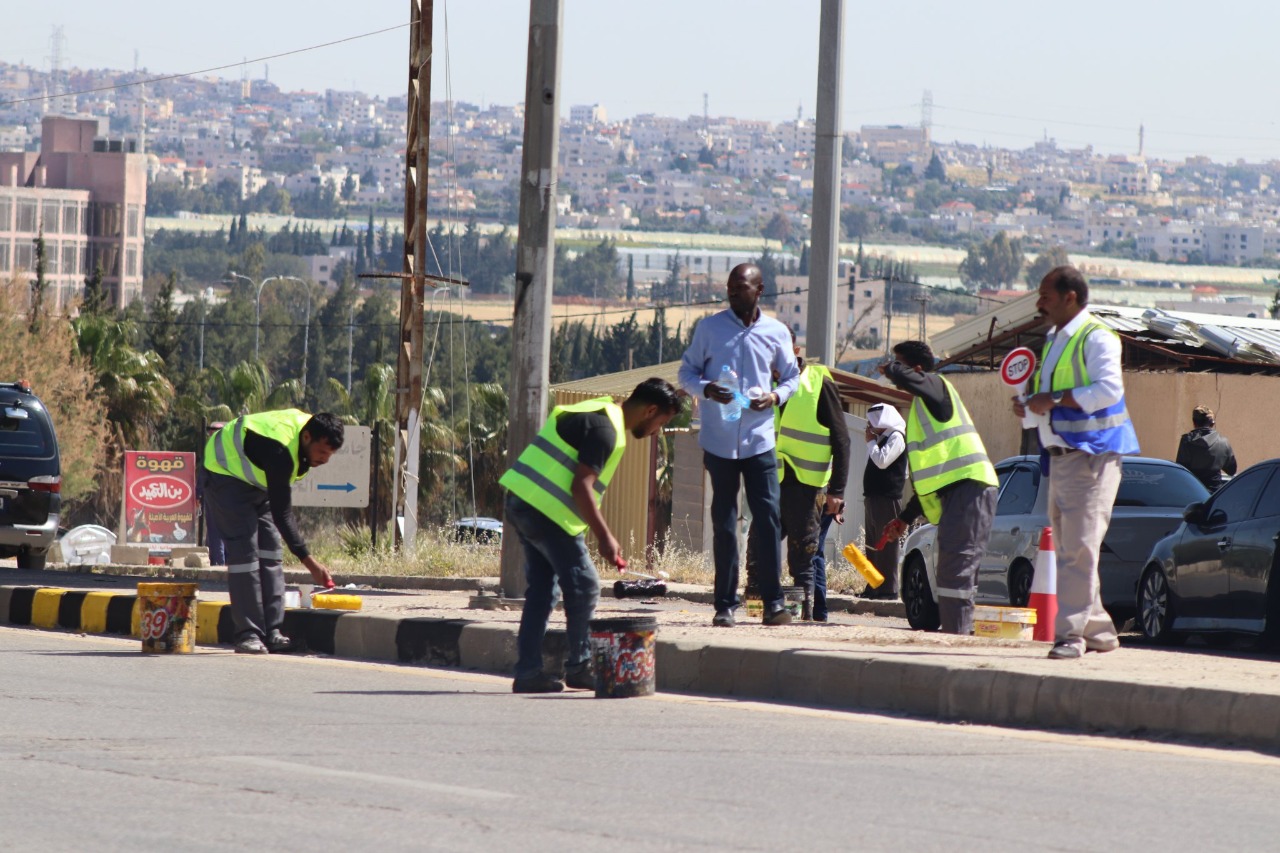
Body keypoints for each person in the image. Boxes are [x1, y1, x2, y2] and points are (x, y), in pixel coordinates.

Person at [499, 379, 683, 694]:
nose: (657, 432)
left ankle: (529, 672)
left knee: (543, 591)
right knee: (584, 586)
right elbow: (581, 486)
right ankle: (580, 666)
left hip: (522, 502)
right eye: (661, 423)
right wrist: (606, 537)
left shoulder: (598, 412)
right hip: (547, 512)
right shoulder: (605, 431)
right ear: (650, 410)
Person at [1012, 265, 1140, 660]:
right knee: (1074, 548)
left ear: (1071, 297)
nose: (1039, 304)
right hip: (1062, 458)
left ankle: (1070, 635)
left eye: (1046, 296)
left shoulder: (1097, 338)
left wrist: (1049, 400)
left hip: (1092, 456)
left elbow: (1107, 390)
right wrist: (1030, 409)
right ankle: (1098, 630)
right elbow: (1049, 401)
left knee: (1077, 550)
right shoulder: (1054, 340)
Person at [678, 263, 801, 627]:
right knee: (726, 522)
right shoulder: (710, 328)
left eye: (741, 287)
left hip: (759, 440)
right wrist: (705, 389)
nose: (733, 292)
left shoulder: (775, 332)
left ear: (759, 289)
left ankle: (773, 604)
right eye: (730, 286)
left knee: (768, 520)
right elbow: (686, 372)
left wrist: (776, 397)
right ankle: (725, 604)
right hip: (718, 442)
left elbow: (793, 377)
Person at [879, 340, 998, 636]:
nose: (895, 374)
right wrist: (905, 518)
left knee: (957, 564)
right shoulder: (923, 406)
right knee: (952, 565)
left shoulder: (936, 385)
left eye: (901, 364)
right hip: (958, 490)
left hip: (970, 486)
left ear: (918, 370)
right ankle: (957, 634)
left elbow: (905, 375)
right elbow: (932, 479)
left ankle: (957, 638)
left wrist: (891, 368)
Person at [202, 410, 344, 654]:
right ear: (307, 438)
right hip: (225, 474)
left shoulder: (308, 431)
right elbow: (283, 516)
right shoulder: (281, 451)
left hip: (258, 481)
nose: (325, 460)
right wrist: (311, 564)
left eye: (330, 455)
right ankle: (248, 634)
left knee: (271, 552)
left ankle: (273, 632)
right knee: (246, 555)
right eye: (322, 452)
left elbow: (279, 509)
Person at [745, 331, 850, 620]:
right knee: (757, 548)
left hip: (807, 486)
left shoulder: (817, 382)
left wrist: (836, 492)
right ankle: (758, 613)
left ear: (795, 349)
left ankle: (804, 617)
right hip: (773, 482)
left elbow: (842, 440)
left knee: (803, 556)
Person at [859, 402, 908, 601]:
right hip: (873, 497)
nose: (870, 425)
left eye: (874, 421)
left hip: (887, 499)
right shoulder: (882, 438)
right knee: (871, 544)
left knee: (886, 544)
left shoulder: (896, 437)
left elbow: (882, 461)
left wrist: (870, 442)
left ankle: (888, 590)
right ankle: (873, 586)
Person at [1176, 406, 1236, 492]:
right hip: (1214, 495)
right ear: (1212, 423)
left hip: (1192, 493)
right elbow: (1231, 470)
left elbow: (1181, 470)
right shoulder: (1223, 442)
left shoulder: (1186, 441)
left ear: (1194, 422)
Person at [199, 422, 227, 566]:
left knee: (215, 530)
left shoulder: (212, 449)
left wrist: (199, 492)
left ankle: (219, 562)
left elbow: (204, 473)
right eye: (211, 431)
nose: (211, 434)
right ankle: (219, 560)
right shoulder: (230, 448)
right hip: (229, 496)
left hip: (215, 495)